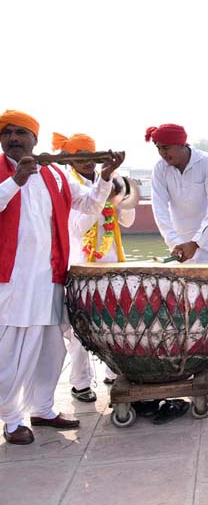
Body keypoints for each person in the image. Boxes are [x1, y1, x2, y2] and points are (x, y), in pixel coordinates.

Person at [0, 110, 124, 446]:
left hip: (50, 277)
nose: (13, 138)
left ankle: (42, 408)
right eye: (7, 133)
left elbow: (87, 205)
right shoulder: (3, 172)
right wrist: (16, 181)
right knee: (11, 351)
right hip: (12, 282)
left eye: (20, 133)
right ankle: (11, 420)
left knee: (50, 348)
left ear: (34, 140)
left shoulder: (55, 174)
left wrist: (106, 176)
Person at [147, 123, 208, 374]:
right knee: (185, 304)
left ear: (182, 144)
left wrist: (197, 242)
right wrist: (175, 242)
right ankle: (191, 354)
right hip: (180, 247)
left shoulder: (207, 163)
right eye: (158, 148)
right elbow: (160, 210)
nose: (163, 153)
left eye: (166, 147)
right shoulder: (160, 170)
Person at [53, 132, 136, 397]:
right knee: (81, 330)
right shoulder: (68, 184)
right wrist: (100, 200)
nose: (88, 162)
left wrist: (121, 199)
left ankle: (114, 372)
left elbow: (128, 222)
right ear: (71, 160)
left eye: (91, 156)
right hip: (82, 266)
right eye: (81, 157)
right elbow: (77, 228)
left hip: (113, 264)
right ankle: (81, 383)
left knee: (116, 324)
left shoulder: (113, 180)